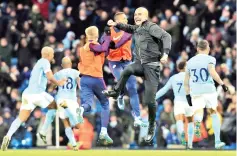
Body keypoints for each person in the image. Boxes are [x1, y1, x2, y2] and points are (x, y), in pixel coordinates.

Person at [103, 7, 172, 142]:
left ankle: (152, 126)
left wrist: (165, 53)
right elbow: (128, 27)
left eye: (139, 14)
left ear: (146, 17)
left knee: (149, 101)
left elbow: (166, 36)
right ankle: (117, 92)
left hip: (151, 67)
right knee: (127, 70)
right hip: (140, 64)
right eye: (135, 14)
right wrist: (116, 24)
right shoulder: (137, 28)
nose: (136, 16)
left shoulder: (151, 27)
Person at [1, 47, 66, 151]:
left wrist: (53, 85)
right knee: (56, 106)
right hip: (37, 94)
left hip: (27, 94)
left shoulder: (38, 64)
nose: (53, 55)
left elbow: (44, 80)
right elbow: (49, 77)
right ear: (48, 54)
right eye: (53, 53)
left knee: (21, 118)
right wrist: (58, 83)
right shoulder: (45, 62)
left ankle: (8, 136)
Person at [102, 12, 146, 127]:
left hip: (127, 61)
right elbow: (103, 44)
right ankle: (120, 95)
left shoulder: (128, 30)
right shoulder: (108, 30)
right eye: (124, 18)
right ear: (118, 20)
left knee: (132, 88)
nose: (127, 20)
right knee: (122, 79)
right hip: (114, 61)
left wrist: (114, 45)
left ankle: (137, 117)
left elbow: (124, 39)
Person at [184, 40, 228, 149]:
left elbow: (186, 80)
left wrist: (187, 94)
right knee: (213, 113)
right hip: (209, 89)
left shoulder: (189, 62)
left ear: (198, 49)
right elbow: (212, 71)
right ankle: (217, 141)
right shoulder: (210, 59)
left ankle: (197, 123)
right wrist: (222, 84)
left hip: (196, 90)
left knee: (198, 110)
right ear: (207, 48)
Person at [77, 26, 113, 145]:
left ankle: (81, 109)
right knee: (105, 103)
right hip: (96, 78)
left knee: (88, 103)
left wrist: (106, 37)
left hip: (84, 79)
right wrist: (107, 36)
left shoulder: (82, 48)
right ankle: (103, 130)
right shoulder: (93, 46)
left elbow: (104, 50)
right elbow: (102, 48)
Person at [155, 61, 194, 149]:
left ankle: (182, 134)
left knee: (179, 121)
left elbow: (164, 90)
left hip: (179, 102)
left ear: (177, 68)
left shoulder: (173, 78)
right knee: (190, 122)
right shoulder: (191, 77)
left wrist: (154, 97)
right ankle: (190, 143)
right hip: (189, 102)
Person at [54, 57, 81, 151]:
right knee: (77, 125)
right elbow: (80, 84)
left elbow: (53, 85)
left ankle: (73, 144)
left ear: (62, 65)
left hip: (61, 99)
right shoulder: (76, 72)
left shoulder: (58, 74)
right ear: (70, 64)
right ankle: (74, 116)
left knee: (66, 122)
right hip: (72, 100)